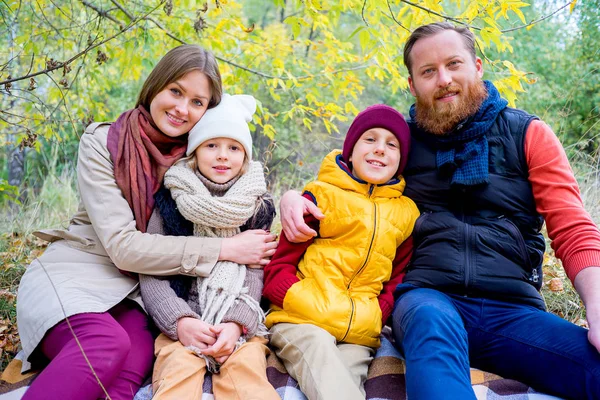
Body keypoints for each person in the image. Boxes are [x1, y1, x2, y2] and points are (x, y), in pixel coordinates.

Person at [279, 22, 600, 400]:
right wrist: (291, 197)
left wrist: (595, 306)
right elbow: (345, 180)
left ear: (477, 67)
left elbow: (572, 227)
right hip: (427, 299)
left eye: (454, 64)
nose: (443, 79)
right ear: (413, 85)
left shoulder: (528, 134)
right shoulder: (401, 144)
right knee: (432, 325)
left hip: (512, 310)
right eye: (428, 71)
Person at [16, 45, 277, 400]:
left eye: (198, 102)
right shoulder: (105, 142)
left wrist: (295, 199)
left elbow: (246, 186)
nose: (183, 109)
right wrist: (226, 249)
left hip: (139, 293)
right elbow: (124, 248)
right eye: (175, 91)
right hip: (81, 274)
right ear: (156, 85)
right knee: (104, 346)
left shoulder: (201, 152)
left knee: (133, 363)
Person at [263, 104, 419, 400]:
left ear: (401, 160)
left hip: (357, 332)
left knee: (343, 387)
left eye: (391, 144)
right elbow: (279, 266)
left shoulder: (406, 214)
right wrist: (294, 296)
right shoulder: (320, 195)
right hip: (301, 320)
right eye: (370, 139)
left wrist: (378, 312)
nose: (380, 150)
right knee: (320, 353)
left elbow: (397, 277)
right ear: (350, 149)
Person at [138, 93, 279, 400]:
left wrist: (237, 324)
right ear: (195, 152)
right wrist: (180, 321)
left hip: (236, 326)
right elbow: (151, 273)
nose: (222, 156)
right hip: (183, 321)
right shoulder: (170, 203)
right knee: (176, 372)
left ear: (245, 156)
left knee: (248, 377)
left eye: (233, 147)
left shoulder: (257, 206)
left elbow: (255, 273)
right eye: (211, 145)